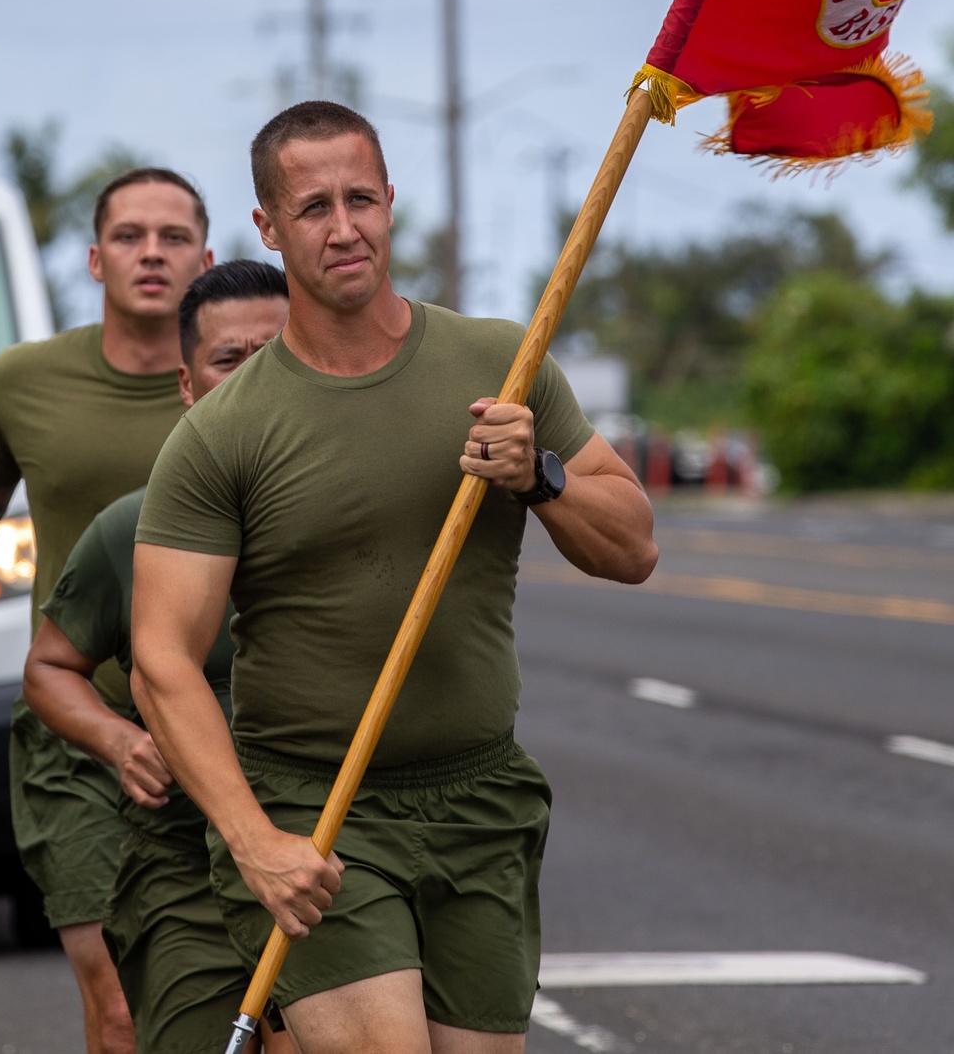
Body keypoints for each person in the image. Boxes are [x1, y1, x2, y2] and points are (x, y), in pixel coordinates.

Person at [131, 101, 658, 1054]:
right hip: (317, 814)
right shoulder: (223, 432)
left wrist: (541, 475)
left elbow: (632, 549)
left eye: (361, 199)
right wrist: (255, 842)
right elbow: (160, 660)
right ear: (268, 228)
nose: (343, 229)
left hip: (481, 798)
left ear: (390, 203)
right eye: (314, 207)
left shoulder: (505, 361)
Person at [0, 167, 213, 1054]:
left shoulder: (254, 379)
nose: (152, 253)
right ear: (95, 260)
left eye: (173, 237)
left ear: (207, 258)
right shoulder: (23, 382)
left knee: (238, 1003)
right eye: (130, 236)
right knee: (118, 1005)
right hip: (77, 734)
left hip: (236, 730)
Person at [22, 259, 294, 1054]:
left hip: (339, 852)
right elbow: (49, 668)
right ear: (187, 383)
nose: (254, 381)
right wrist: (121, 740)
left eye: (277, 355)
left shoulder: (360, 516)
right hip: (188, 865)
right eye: (228, 361)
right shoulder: (131, 530)